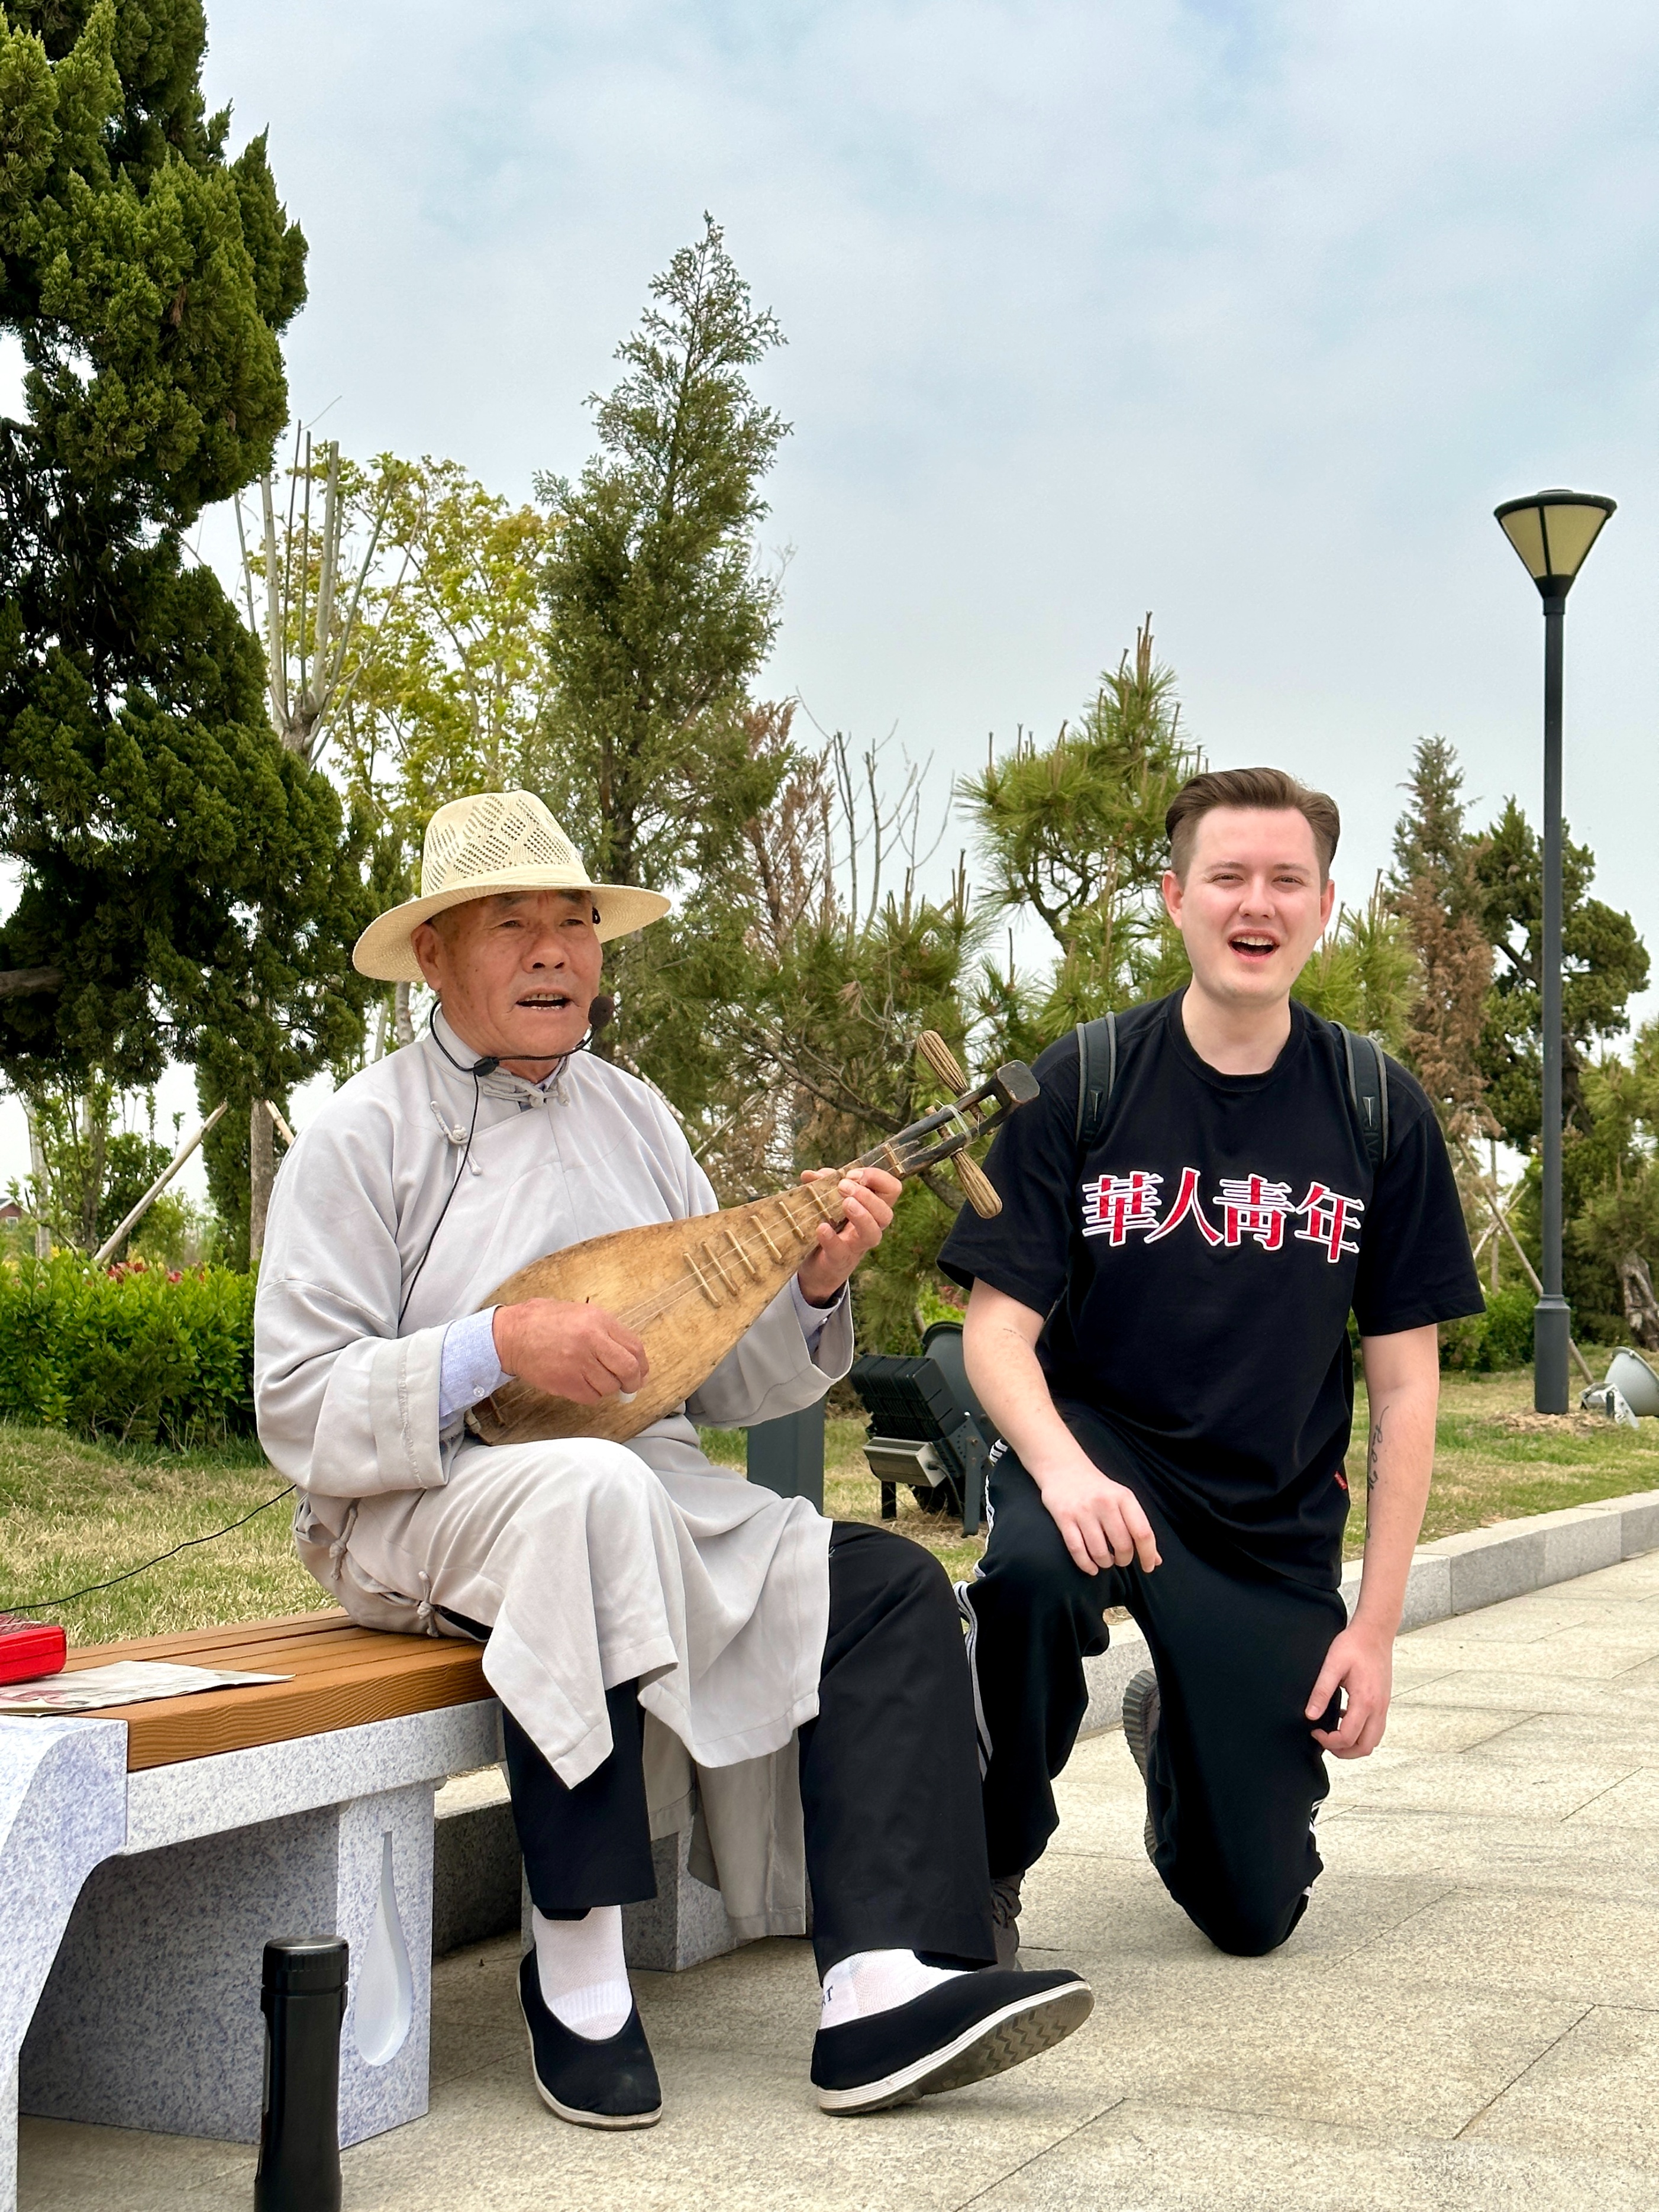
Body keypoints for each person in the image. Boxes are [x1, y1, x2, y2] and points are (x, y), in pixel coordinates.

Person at [254, 789, 1091, 2130]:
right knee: (587, 1495)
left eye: (574, 924)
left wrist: (812, 1286)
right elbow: (295, 1403)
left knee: (882, 1585)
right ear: (433, 956)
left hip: (636, 1484)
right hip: (414, 1502)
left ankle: (883, 1980)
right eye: (510, 924)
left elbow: (722, 1376)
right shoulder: (363, 1135)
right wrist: (492, 1347)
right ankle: (574, 1965)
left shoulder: (636, 1116)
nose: (552, 953)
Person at [940, 766, 1483, 1965]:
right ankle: (981, 1867)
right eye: (1228, 877)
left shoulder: (1373, 1107)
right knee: (1028, 1575)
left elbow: (1404, 1387)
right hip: (1102, 1460)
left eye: (1285, 879)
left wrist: (1376, 1628)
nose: (1258, 902)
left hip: (1266, 1515)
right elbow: (995, 1329)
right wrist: (1062, 1474)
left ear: (1324, 907)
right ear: (1176, 899)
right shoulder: (1084, 1083)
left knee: (1253, 1916)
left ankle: (1173, 1725)